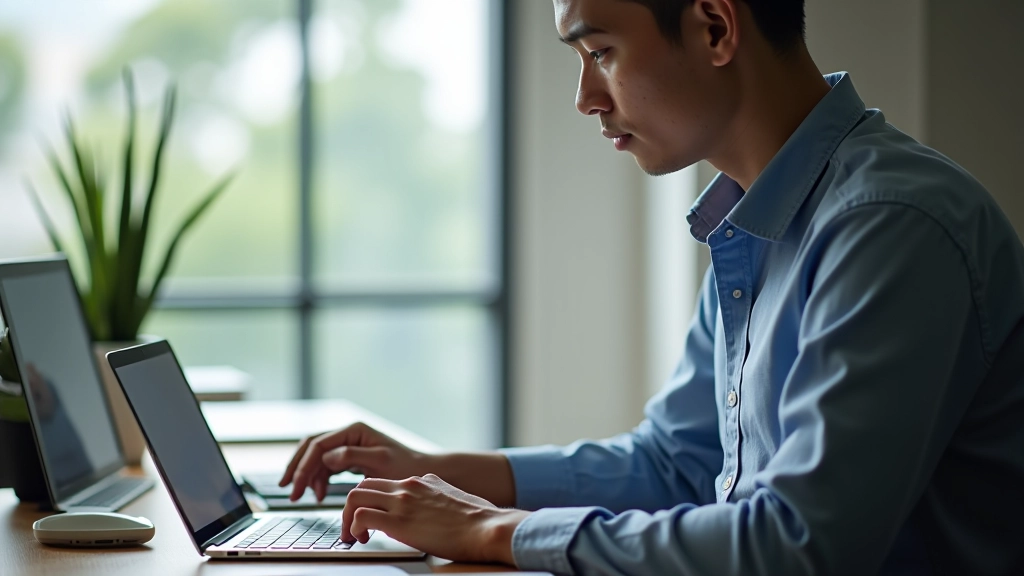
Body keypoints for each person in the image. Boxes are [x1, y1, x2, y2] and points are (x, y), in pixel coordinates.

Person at [279, 0, 1024, 573]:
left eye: (600, 50)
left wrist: (488, 529)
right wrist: (434, 473)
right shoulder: (755, 213)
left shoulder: (889, 224)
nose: (585, 97)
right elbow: (678, 464)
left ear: (713, 27)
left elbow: (800, 544)